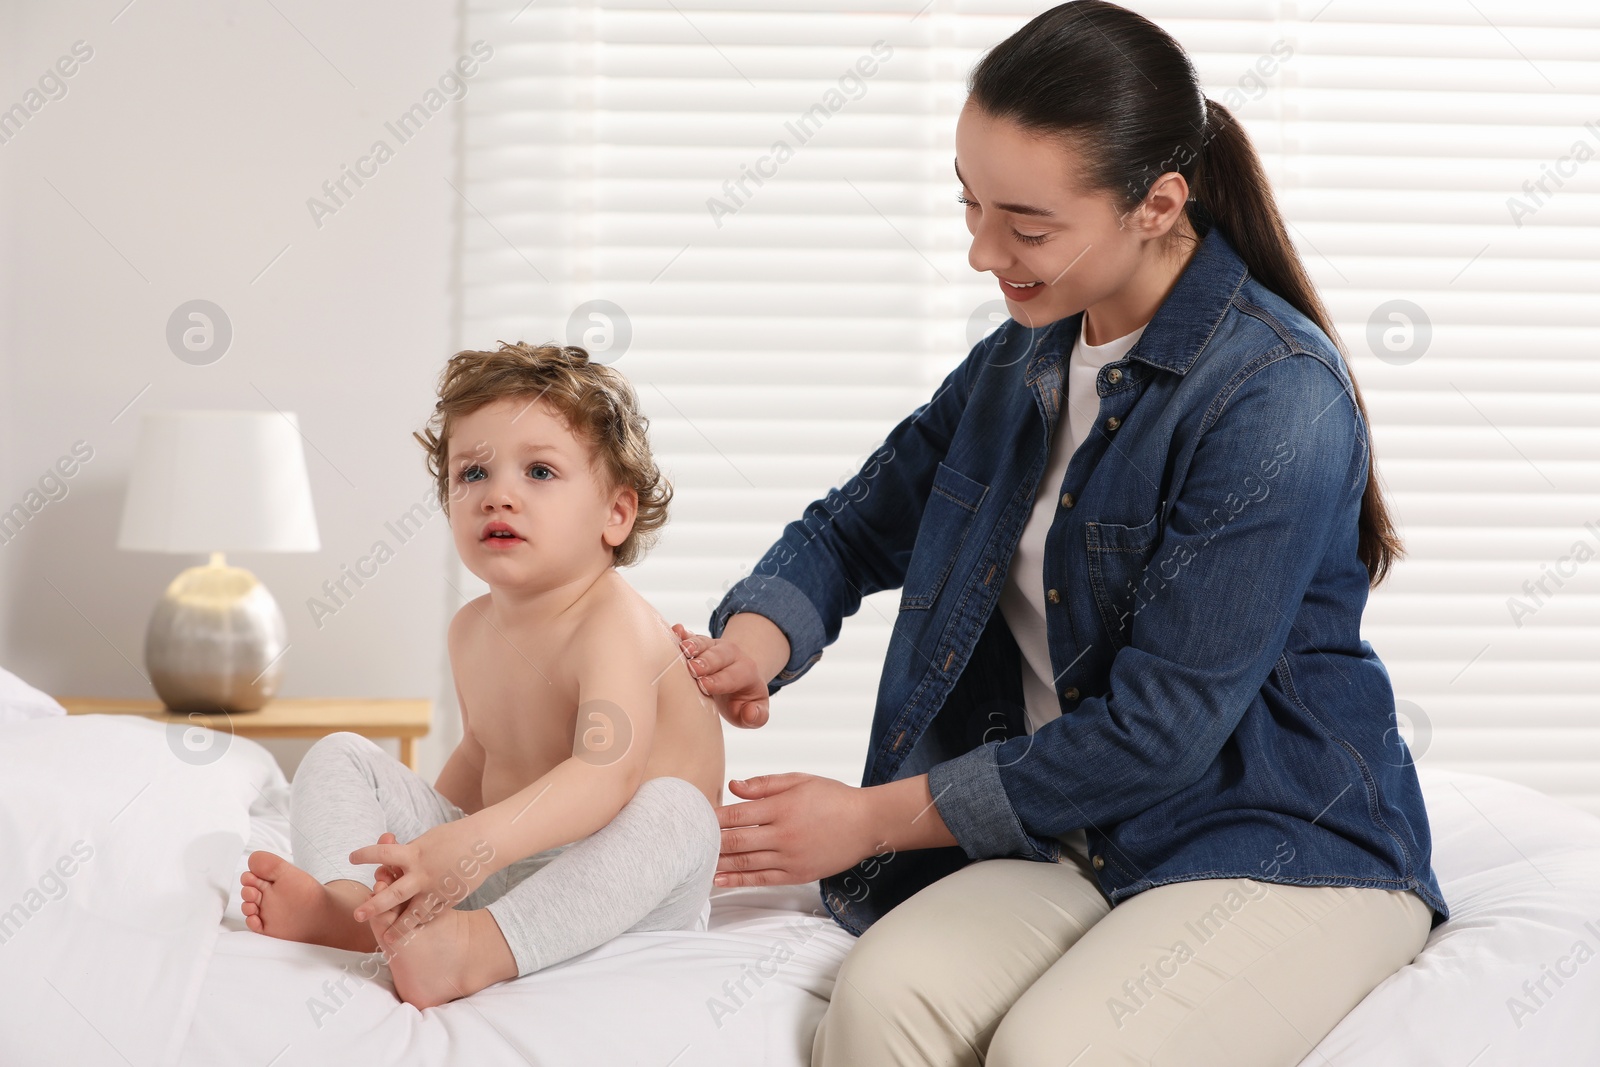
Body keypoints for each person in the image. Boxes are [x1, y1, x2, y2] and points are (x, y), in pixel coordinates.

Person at [670, 3, 1449, 1063]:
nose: (984, 251)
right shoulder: (1016, 364)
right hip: (1065, 837)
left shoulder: (1274, 397)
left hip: (1272, 838)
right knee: (878, 1001)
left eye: (1027, 226)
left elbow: (1158, 730)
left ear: (1155, 204)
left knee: (1058, 1048)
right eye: (970, 205)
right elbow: (854, 528)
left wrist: (869, 818)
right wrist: (752, 642)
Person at [240, 341, 724, 1009]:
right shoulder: (471, 628)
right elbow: (479, 754)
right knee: (339, 756)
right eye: (473, 473)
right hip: (495, 870)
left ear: (616, 513)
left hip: (620, 891)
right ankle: (353, 911)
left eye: (540, 472)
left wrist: (465, 845)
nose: (499, 494)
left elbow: (603, 774)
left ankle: (474, 951)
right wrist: (421, 861)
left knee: (681, 813)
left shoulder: (615, 623)